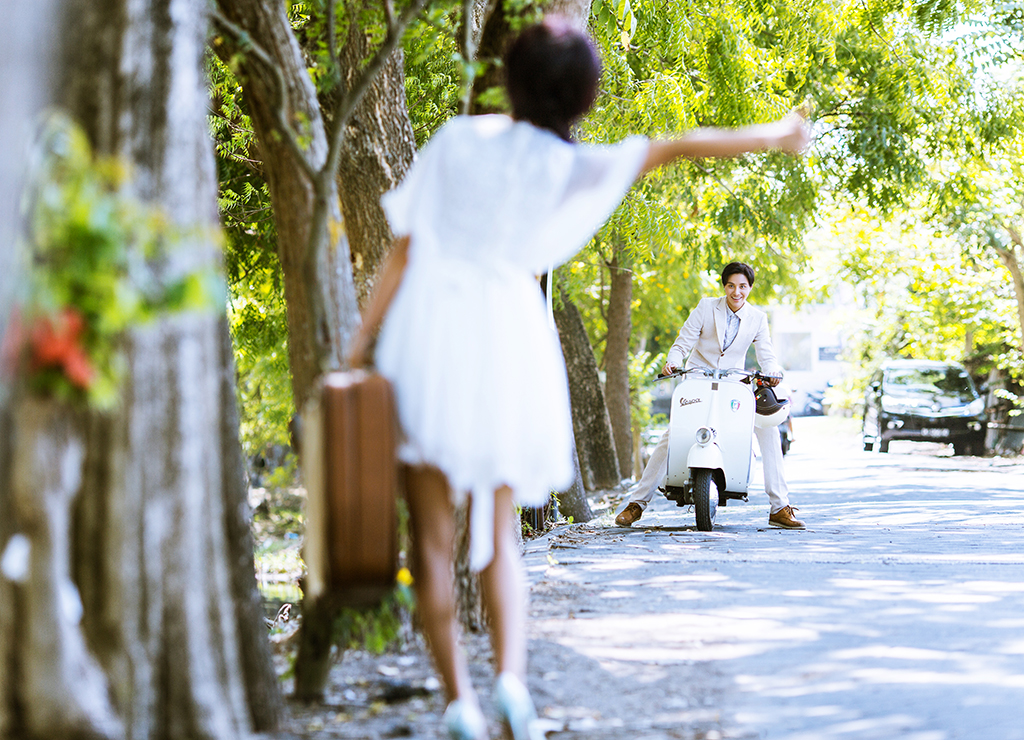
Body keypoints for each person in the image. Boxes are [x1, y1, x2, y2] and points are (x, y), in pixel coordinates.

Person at [348, 18, 809, 740]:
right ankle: (510, 687)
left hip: (430, 334)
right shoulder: (572, 165)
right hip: (507, 334)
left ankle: (458, 705)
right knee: (498, 532)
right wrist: (775, 134)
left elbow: (401, 255)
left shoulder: (457, 142)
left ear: (508, 77)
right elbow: (680, 145)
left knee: (431, 539)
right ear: (583, 101)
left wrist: (357, 348)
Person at [615, 262, 806, 530]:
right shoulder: (706, 307)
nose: (736, 292)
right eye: (731, 286)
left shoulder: (758, 318)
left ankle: (779, 507)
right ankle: (637, 504)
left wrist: (773, 371)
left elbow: (766, 353)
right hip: (697, 381)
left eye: (742, 286)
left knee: (768, 430)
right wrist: (672, 361)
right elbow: (682, 342)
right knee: (672, 434)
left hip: (732, 385)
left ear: (750, 288)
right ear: (724, 286)